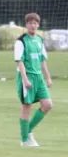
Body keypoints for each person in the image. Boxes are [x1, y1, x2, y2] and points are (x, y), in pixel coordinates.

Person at [15, 13, 52, 146]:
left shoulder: (39, 40)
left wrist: (47, 77)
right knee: (27, 106)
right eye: (30, 23)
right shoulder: (21, 41)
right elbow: (19, 61)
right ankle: (24, 140)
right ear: (26, 25)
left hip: (39, 77)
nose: (33, 25)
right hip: (27, 76)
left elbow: (42, 60)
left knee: (47, 105)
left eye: (35, 23)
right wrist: (25, 79)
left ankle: (27, 131)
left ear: (38, 24)